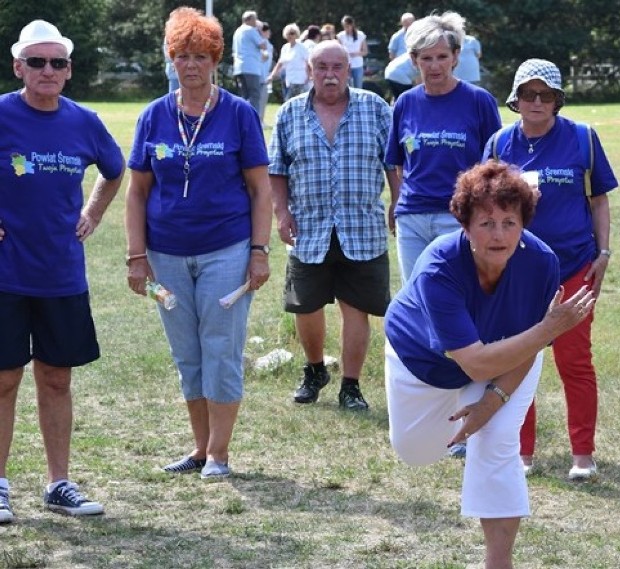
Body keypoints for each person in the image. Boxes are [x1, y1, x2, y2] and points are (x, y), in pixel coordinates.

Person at [385, 160, 595, 569]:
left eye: (509, 222)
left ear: (524, 224)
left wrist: (494, 401)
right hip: (422, 364)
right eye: (486, 223)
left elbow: (524, 350)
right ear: (464, 225)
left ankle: (497, 563)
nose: (499, 234)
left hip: (509, 359)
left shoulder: (542, 262)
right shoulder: (439, 266)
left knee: (498, 442)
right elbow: (477, 363)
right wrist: (549, 329)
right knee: (415, 451)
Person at [125, 7, 272, 479]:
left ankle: (220, 454)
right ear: (171, 60)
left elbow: (260, 189)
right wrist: (136, 257)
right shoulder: (153, 116)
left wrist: (259, 251)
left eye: (200, 56)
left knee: (221, 349)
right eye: (182, 56)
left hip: (226, 250)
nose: (190, 65)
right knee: (187, 353)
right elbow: (137, 192)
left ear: (215, 61)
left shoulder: (239, 114)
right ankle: (199, 447)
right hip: (166, 255)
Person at [0, 19, 125, 522]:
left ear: (68, 71)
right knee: (4, 379)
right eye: (37, 62)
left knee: (56, 379)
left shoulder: (84, 121)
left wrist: (92, 213)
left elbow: (115, 171)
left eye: (57, 63)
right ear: (18, 67)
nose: (47, 70)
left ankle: (58, 484)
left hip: (61, 275)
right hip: (6, 276)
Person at [488, 59, 618, 480]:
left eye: (546, 95)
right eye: (529, 94)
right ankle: (521, 452)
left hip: (574, 266)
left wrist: (603, 254)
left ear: (558, 99)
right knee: (517, 360)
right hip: (516, 271)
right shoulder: (498, 144)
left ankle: (583, 454)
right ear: (516, 100)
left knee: (574, 360)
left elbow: (599, 200)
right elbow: (482, 205)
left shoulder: (582, 138)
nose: (537, 102)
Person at [268, 41, 399, 411]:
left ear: (348, 68)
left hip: (362, 226)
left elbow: (392, 162)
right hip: (309, 228)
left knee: (355, 306)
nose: (330, 74)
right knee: (305, 305)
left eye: (337, 67)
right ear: (309, 70)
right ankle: (314, 370)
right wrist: (281, 214)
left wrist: (397, 202)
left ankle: (351, 385)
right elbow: (276, 170)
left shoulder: (374, 108)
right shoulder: (290, 113)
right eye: (321, 66)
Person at [385, 11, 502, 282]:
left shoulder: (479, 101)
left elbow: (495, 163)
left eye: (442, 56)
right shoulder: (405, 103)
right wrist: (400, 202)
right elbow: (399, 162)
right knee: (415, 297)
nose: (435, 65)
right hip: (412, 218)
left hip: (459, 216)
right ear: (414, 60)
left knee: (456, 294)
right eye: (426, 58)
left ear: (456, 56)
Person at [231, 10, 267, 114]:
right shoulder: (251, 30)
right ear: (250, 19)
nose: (256, 22)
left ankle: (242, 116)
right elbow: (263, 45)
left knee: (244, 95)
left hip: (239, 67)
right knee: (254, 94)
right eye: (255, 19)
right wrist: (260, 31)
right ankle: (252, 117)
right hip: (251, 67)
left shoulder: (237, 31)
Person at [268, 24, 310, 102]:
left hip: (299, 79)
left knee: (290, 100)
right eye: (288, 33)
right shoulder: (285, 47)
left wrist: (308, 76)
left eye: (292, 33)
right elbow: (280, 63)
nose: (290, 35)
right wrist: (272, 75)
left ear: (296, 34)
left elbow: (308, 62)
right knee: (289, 101)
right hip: (288, 79)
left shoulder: (301, 47)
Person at [337, 16, 368, 89]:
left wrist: (355, 54)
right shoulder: (340, 36)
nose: (346, 28)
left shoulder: (360, 35)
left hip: (357, 65)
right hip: (345, 65)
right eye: (344, 26)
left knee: (358, 87)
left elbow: (365, 51)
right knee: (347, 87)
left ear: (352, 25)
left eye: (347, 26)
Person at [257, 21, 274, 127]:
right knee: (260, 99)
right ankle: (259, 120)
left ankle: (261, 120)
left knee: (263, 99)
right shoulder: (260, 43)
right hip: (260, 75)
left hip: (265, 74)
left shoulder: (269, 44)